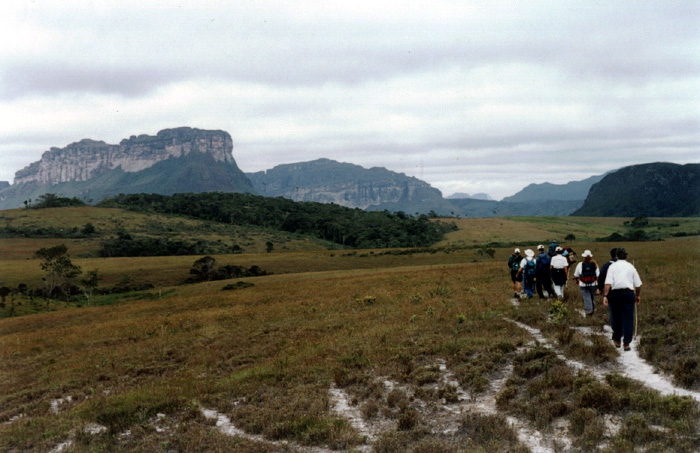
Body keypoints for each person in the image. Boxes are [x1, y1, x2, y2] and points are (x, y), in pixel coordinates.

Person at [602, 248, 642, 351]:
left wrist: (605, 296)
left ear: (616, 256)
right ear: (626, 256)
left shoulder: (612, 267)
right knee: (628, 318)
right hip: (628, 293)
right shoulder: (631, 267)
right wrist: (637, 295)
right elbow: (638, 285)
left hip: (615, 294)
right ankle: (627, 343)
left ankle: (617, 339)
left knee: (615, 317)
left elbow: (608, 284)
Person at [573, 250, 599, 316]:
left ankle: (588, 312)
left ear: (583, 256)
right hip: (593, 284)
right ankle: (592, 310)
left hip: (583, 284)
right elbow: (598, 275)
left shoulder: (580, 264)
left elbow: (576, 275)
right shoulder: (595, 264)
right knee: (591, 298)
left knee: (586, 298)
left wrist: (577, 279)